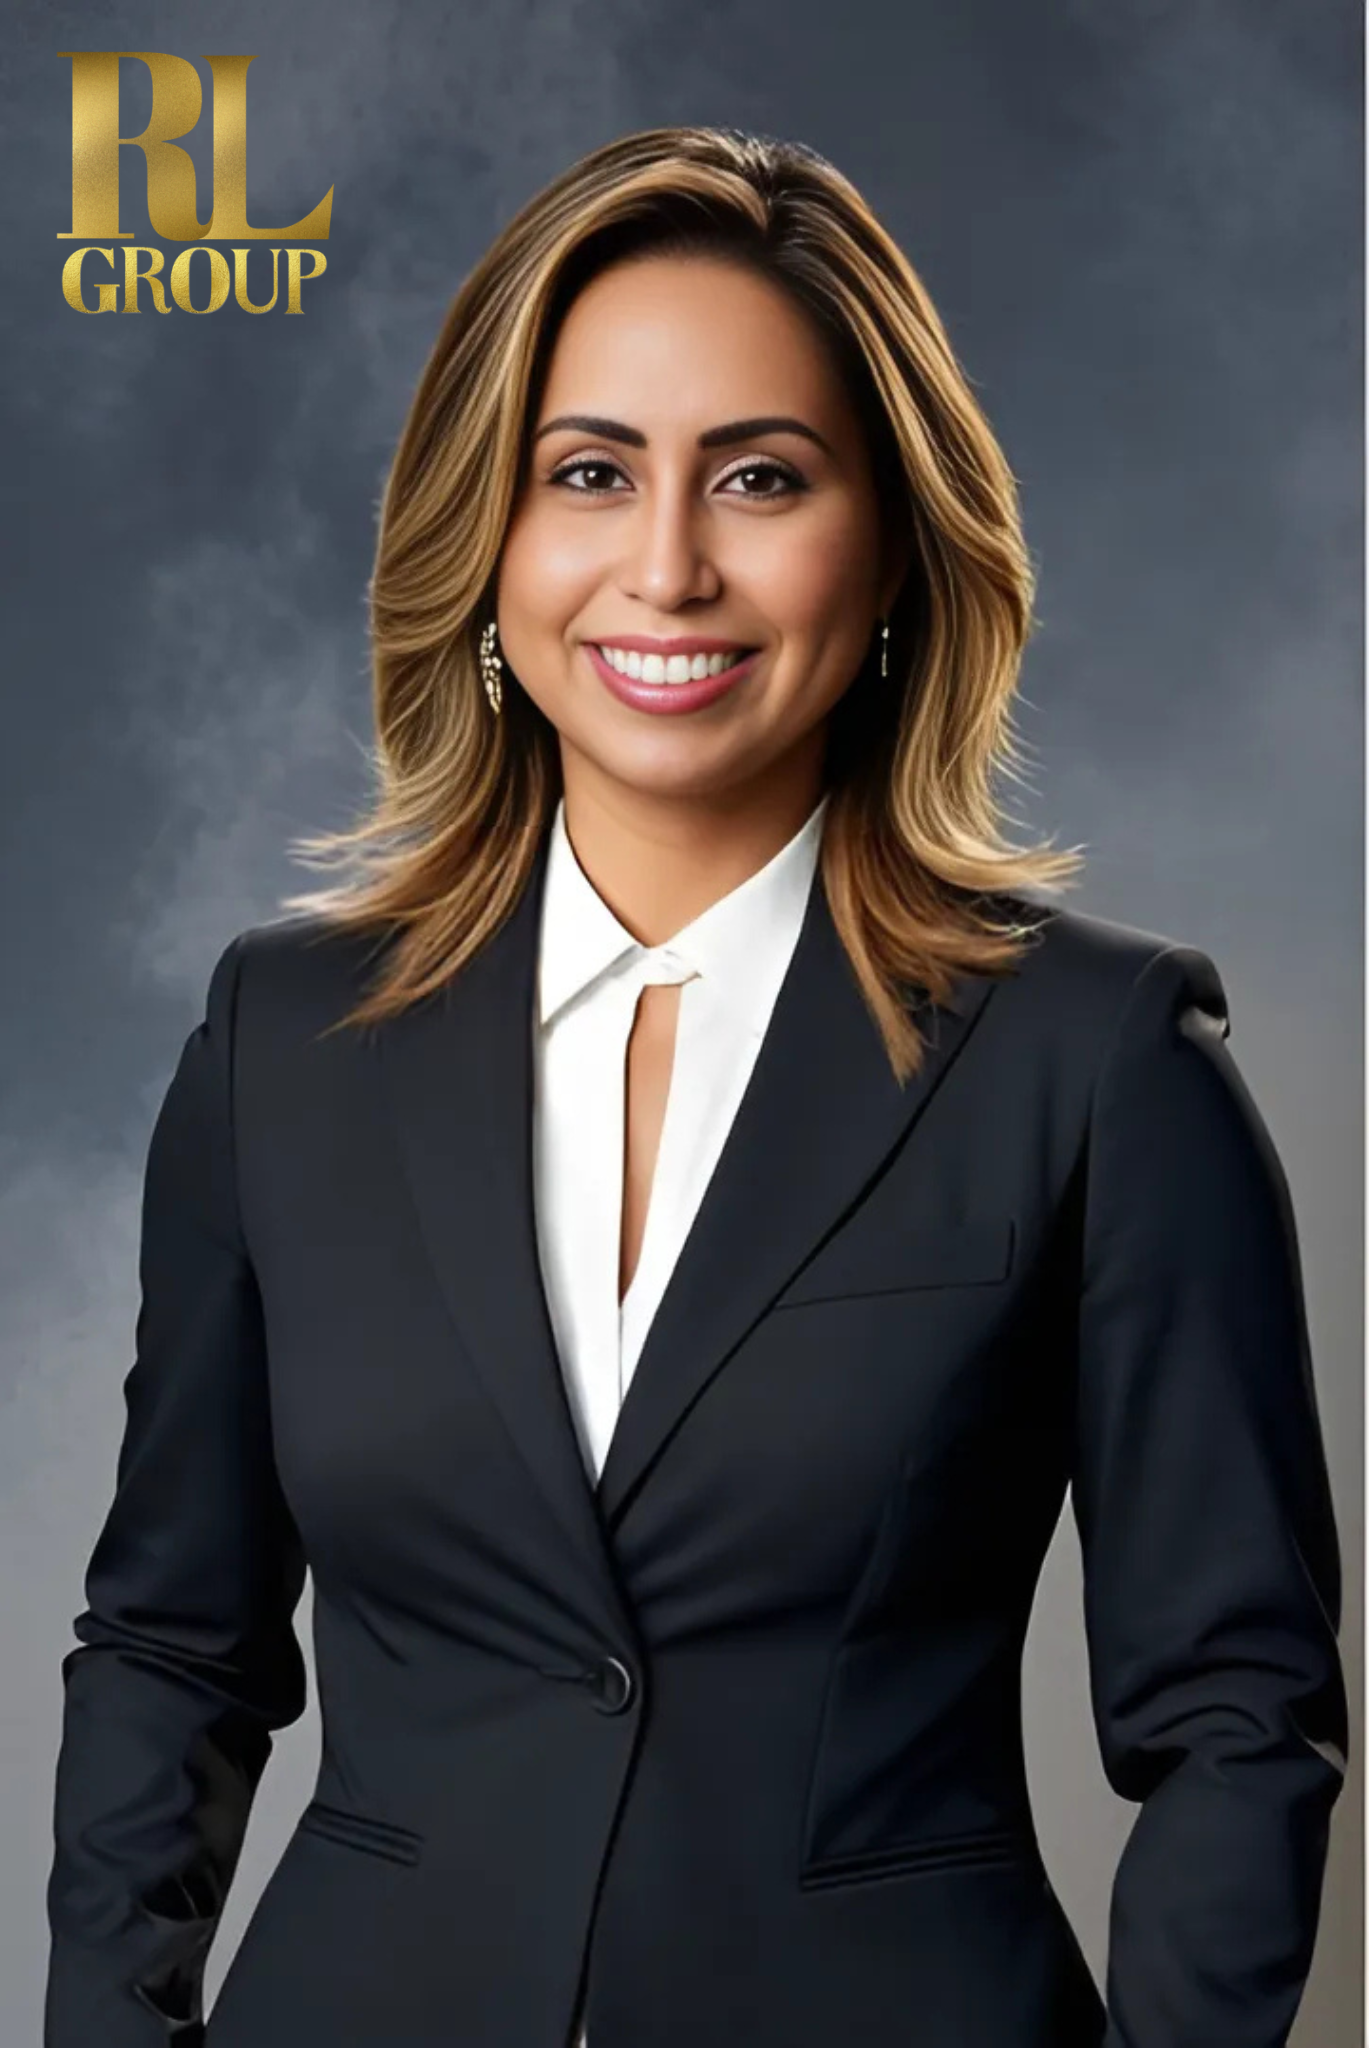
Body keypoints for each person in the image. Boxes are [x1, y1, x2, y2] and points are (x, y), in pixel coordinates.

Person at [44, 125, 1346, 2048]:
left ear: (891, 546)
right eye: (589, 472)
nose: (667, 565)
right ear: (488, 540)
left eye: (760, 476)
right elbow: (171, 1648)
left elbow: (1238, 1717)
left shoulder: (1104, 1065)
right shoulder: (280, 1046)